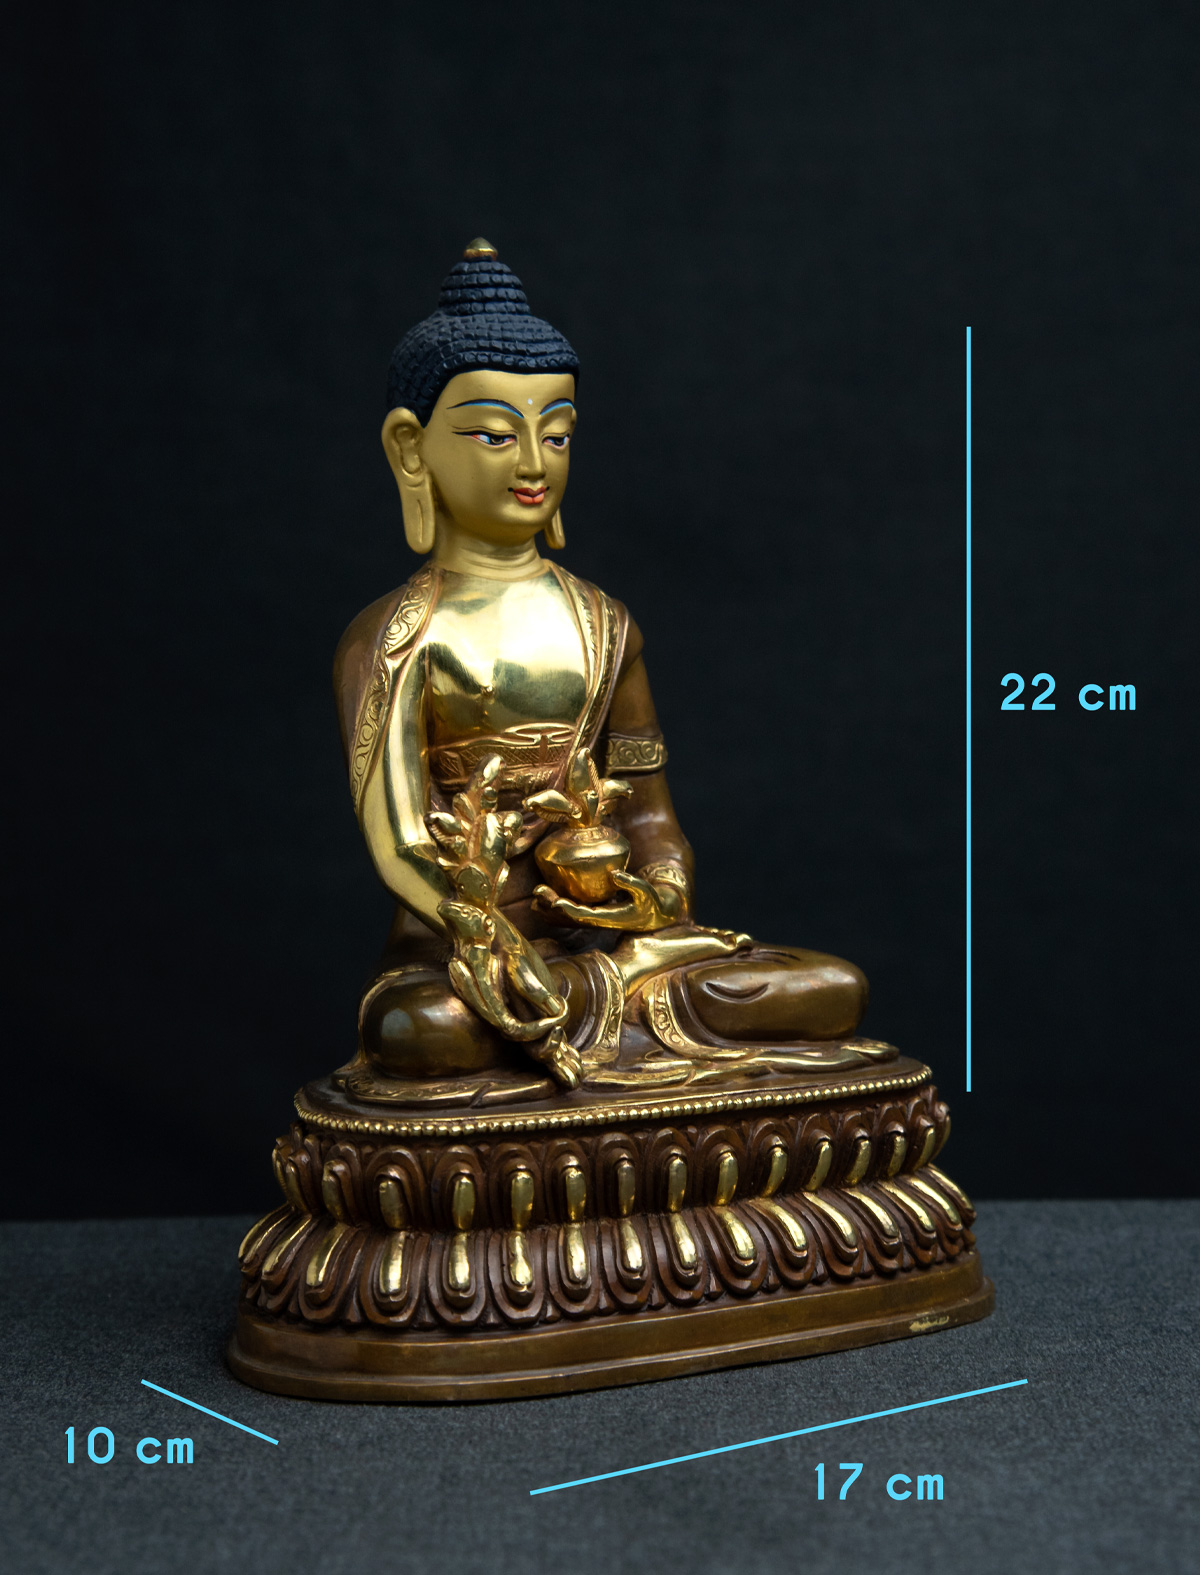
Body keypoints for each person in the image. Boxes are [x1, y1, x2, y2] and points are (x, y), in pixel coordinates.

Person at [333, 241, 877, 1103]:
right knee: (420, 1030)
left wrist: (653, 895)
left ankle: (607, 1013)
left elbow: (652, 814)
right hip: (462, 954)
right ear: (411, 447)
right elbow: (401, 843)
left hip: (613, 947)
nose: (533, 463)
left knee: (828, 987)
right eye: (494, 435)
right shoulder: (396, 636)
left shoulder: (605, 624)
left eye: (556, 434)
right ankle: (589, 1016)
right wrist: (497, 938)